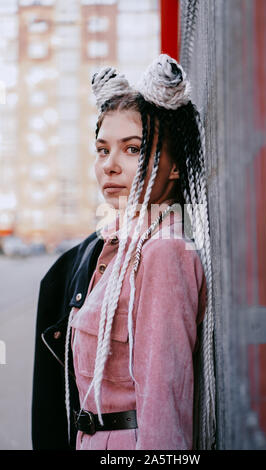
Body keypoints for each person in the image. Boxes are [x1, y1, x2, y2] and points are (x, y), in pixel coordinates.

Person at [31, 54, 216, 451]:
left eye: (132, 149)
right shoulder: (114, 246)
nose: (109, 166)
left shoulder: (164, 253)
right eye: (102, 150)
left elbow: (165, 406)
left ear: (174, 167)